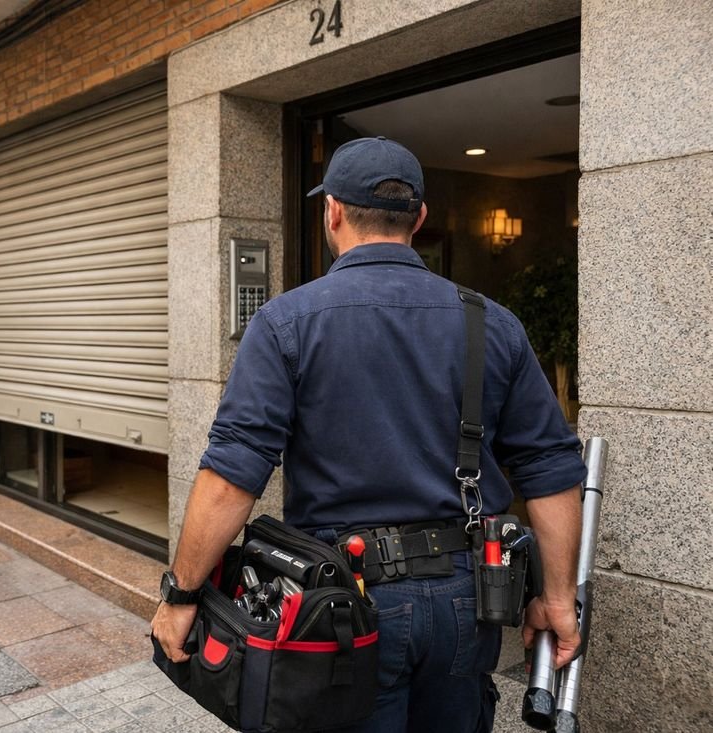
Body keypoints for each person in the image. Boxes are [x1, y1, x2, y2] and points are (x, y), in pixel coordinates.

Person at [151, 137, 588, 732]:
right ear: (420, 218)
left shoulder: (286, 322)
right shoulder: (491, 323)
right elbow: (551, 467)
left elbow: (232, 476)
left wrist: (182, 596)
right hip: (468, 597)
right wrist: (559, 600)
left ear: (331, 211)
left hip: (343, 606)